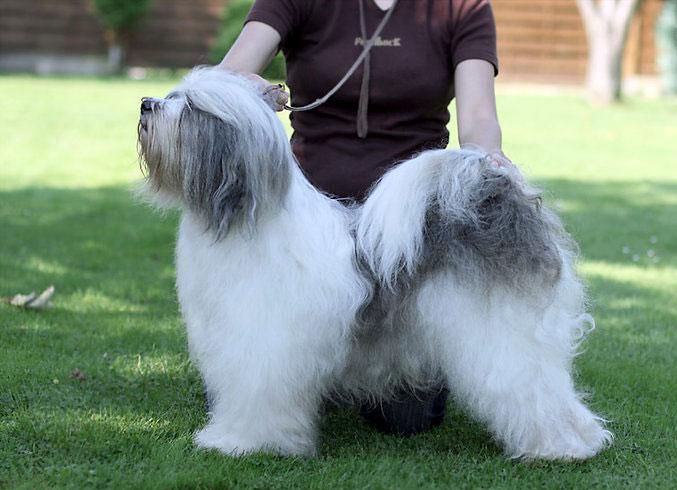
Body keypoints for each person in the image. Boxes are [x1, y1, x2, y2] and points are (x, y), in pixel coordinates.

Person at [217, 0, 511, 435]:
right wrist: (251, 86)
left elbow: (479, 118)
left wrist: (490, 157)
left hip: (409, 241)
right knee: (252, 393)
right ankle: (313, 368)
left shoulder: (461, 7)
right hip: (306, 228)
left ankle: (335, 370)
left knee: (407, 419)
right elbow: (227, 75)